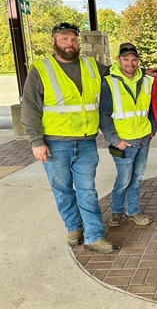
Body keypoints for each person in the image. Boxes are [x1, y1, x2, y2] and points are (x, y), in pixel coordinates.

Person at [21, 22, 119, 253]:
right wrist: (36, 142)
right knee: (63, 189)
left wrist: (148, 72)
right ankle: (74, 227)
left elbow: (119, 73)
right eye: (64, 39)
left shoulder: (91, 65)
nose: (70, 43)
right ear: (54, 41)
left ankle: (94, 235)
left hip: (86, 142)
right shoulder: (41, 69)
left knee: (87, 189)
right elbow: (30, 107)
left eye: (74, 39)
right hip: (54, 144)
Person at [99, 43, 157, 227]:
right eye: (126, 59)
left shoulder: (147, 81)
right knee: (123, 179)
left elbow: (152, 109)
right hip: (124, 141)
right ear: (118, 60)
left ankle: (133, 211)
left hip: (143, 139)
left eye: (133, 59)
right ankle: (116, 211)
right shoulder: (109, 82)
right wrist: (116, 141)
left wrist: (152, 130)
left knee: (137, 178)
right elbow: (104, 115)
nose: (130, 63)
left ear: (138, 61)